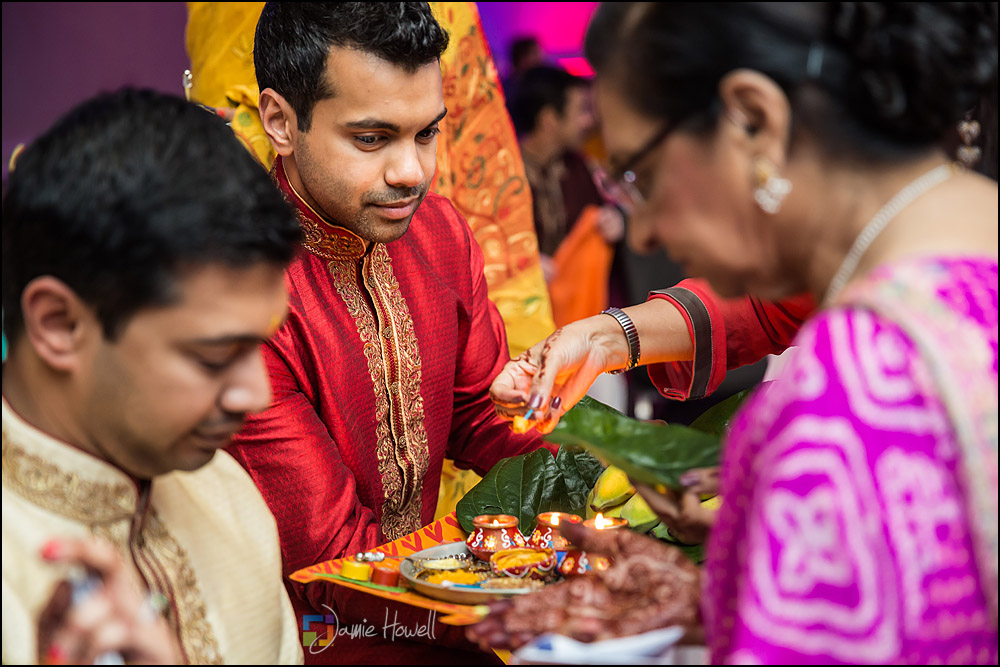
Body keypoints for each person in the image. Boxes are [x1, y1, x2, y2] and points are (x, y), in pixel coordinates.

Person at [482, 2, 998, 663]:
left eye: (640, 175)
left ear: (753, 118)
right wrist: (734, 590)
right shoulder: (958, 258)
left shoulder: (856, 383)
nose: (643, 233)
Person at [226, 3, 548, 663]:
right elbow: (334, 557)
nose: (412, 172)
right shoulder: (242, 295)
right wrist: (536, 602)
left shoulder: (440, 233)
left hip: (447, 622)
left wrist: (614, 480)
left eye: (426, 133)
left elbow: (483, 414)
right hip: (315, 643)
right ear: (281, 122)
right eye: (372, 138)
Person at [1, 88, 304, 664]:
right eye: (214, 357)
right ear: (59, 324)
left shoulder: (230, 500)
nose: (258, 394)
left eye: (260, 345)